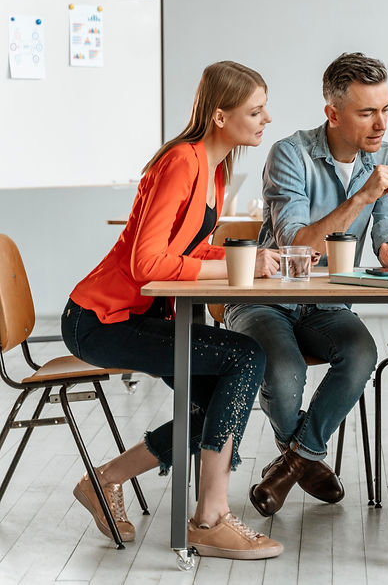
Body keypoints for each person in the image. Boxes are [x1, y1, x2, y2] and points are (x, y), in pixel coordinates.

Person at [61, 61, 282, 560]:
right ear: (221, 116)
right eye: (256, 110)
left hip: (140, 317)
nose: (266, 118)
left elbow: (189, 249)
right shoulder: (182, 161)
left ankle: (106, 479)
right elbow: (146, 263)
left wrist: (250, 258)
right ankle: (210, 519)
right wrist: (237, 264)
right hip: (100, 320)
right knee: (244, 357)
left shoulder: (214, 169)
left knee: (219, 399)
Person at [224, 52, 388, 517]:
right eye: (367, 112)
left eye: (385, 109)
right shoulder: (290, 153)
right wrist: (364, 194)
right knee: (285, 371)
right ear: (333, 113)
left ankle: (293, 462)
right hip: (267, 299)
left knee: (362, 353)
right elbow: (297, 246)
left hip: (328, 304)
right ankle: (307, 461)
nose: (381, 123)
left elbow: (387, 237)